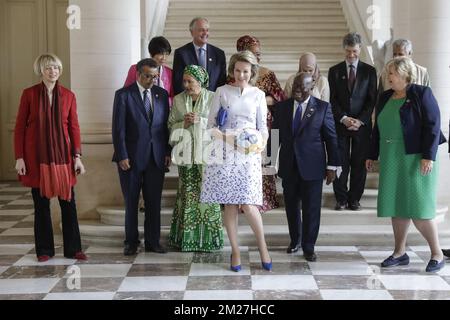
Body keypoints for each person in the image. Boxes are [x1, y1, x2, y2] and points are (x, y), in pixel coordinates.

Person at [366, 57, 447, 273]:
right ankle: (399, 252)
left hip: (417, 158)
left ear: (404, 74)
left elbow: (433, 125)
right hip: (391, 156)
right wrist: (371, 154)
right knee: (397, 206)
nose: (388, 77)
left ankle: (437, 253)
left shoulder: (421, 93)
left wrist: (429, 156)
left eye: (391, 73)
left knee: (419, 208)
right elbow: (376, 129)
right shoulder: (384, 97)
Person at [200, 50, 272, 271]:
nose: (241, 75)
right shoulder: (221, 92)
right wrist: (226, 137)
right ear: (232, 70)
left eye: (246, 72)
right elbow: (211, 127)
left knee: (249, 205)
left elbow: (263, 129)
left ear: (252, 72)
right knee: (230, 204)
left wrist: (258, 145)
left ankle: (263, 248)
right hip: (225, 152)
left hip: (248, 153)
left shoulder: (259, 95)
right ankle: (235, 251)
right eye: (238, 71)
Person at [14, 53, 87, 262]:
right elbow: (19, 128)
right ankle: (44, 250)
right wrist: (20, 157)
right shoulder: (28, 94)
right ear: (40, 71)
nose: (52, 71)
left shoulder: (69, 96)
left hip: (64, 157)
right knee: (41, 205)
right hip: (36, 158)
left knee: (68, 204)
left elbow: (74, 127)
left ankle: (74, 249)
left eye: (55, 67)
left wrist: (77, 157)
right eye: (48, 68)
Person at [273, 73, 340, 260]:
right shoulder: (282, 107)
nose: (296, 90)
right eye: (295, 86)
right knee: (291, 207)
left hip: (313, 167)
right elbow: (275, 136)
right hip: (289, 166)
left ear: (311, 89)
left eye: (301, 88)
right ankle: (295, 240)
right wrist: (270, 163)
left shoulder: (322, 108)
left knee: (312, 209)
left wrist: (333, 166)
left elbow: (331, 138)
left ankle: (309, 246)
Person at [112, 58, 171, 256]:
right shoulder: (123, 95)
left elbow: (164, 127)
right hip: (130, 158)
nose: (151, 80)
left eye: (155, 76)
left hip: (156, 157)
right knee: (131, 202)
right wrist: (122, 155)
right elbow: (118, 129)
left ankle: (153, 242)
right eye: (147, 76)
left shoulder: (162, 95)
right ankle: (131, 242)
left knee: (154, 202)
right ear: (137, 74)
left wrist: (167, 152)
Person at [167, 65, 224, 251]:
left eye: (190, 81)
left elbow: (222, 125)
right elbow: (170, 125)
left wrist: (202, 120)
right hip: (186, 156)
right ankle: (186, 239)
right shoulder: (178, 100)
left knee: (209, 197)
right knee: (187, 197)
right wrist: (183, 122)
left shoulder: (213, 97)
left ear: (200, 81)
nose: (186, 85)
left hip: (208, 157)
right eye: (184, 81)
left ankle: (209, 240)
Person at [235, 35, 285, 212]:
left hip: (263, 125)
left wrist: (259, 99)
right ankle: (241, 200)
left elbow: (280, 98)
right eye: (255, 53)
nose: (259, 56)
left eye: (259, 53)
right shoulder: (233, 75)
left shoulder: (267, 73)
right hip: (240, 127)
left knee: (262, 163)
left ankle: (263, 199)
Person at [328, 32, 377, 211]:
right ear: (344, 49)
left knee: (358, 163)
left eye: (354, 51)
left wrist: (361, 120)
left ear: (360, 49)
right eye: (348, 51)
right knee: (341, 162)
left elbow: (372, 100)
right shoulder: (334, 71)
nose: (351, 55)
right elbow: (332, 99)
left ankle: (354, 199)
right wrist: (343, 118)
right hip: (340, 124)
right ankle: (341, 199)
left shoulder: (370, 71)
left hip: (361, 126)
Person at [172, 17, 226, 95]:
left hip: (212, 101)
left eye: (207, 30)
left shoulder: (219, 54)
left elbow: (222, 82)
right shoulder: (181, 53)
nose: (205, 33)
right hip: (189, 101)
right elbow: (178, 82)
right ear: (192, 32)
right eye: (201, 30)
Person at [124, 36, 174, 106]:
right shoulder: (135, 69)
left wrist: (161, 101)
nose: (164, 58)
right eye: (160, 54)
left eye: (166, 54)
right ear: (151, 53)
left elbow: (173, 97)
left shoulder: (169, 73)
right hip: (139, 110)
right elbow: (126, 92)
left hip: (161, 112)